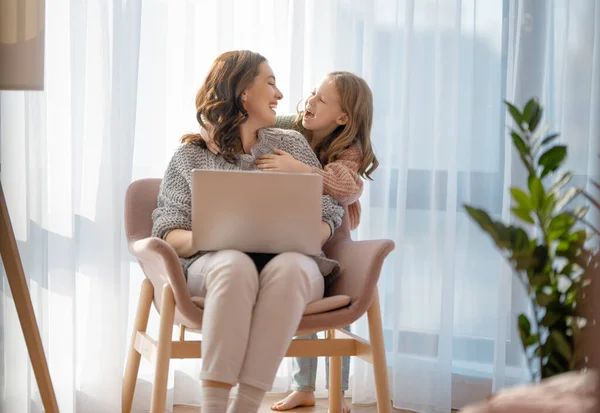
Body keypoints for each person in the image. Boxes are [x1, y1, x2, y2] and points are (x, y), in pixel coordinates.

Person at [151, 50, 344, 413]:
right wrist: (207, 237)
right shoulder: (190, 156)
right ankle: (213, 406)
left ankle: (244, 407)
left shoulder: (291, 146)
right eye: (270, 83)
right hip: (214, 265)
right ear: (242, 91)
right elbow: (166, 228)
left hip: (294, 261)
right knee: (234, 265)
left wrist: (313, 233)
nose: (280, 95)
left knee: (287, 270)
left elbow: (330, 208)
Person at [202, 71, 378, 413]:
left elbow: (348, 188)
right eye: (312, 93)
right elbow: (251, 121)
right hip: (290, 226)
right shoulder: (292, 125)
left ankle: (338, 393)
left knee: (335, 311)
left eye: (321, 100)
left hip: (331, 231)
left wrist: (299, 169)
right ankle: (304, 387)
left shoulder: (348, 148)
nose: (309, 101)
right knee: (293, 291)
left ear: (343, 117)